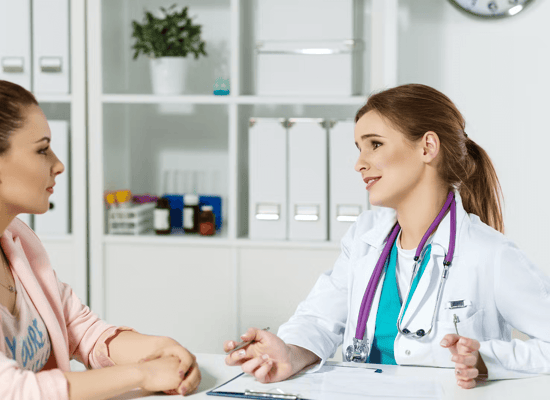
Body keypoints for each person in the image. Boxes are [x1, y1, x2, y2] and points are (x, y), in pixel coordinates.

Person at [224, 83, 550, 389]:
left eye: (375, 144)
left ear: (427, 147)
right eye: (359, 148)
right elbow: (319, 321)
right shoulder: (365, 237)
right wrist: (288, 354)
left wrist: (485, 359)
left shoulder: (488, 252)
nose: (359, 164)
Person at [0, 61, 200, 399]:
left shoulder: (16, 241)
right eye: (42, 149)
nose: (58, 164)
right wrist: (143, 372)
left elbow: (80, 329)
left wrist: (161, 350)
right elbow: (3, 391)